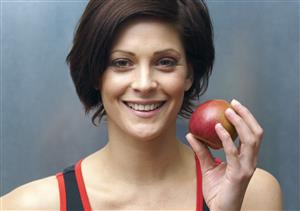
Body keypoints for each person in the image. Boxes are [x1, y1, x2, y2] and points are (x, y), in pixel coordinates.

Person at [1, 0, 282, 210]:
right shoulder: (29, 206)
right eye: (121, 63)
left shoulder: (254, 194)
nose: (145, 83)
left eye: (165, 62)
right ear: (97, 76)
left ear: (189, 74)